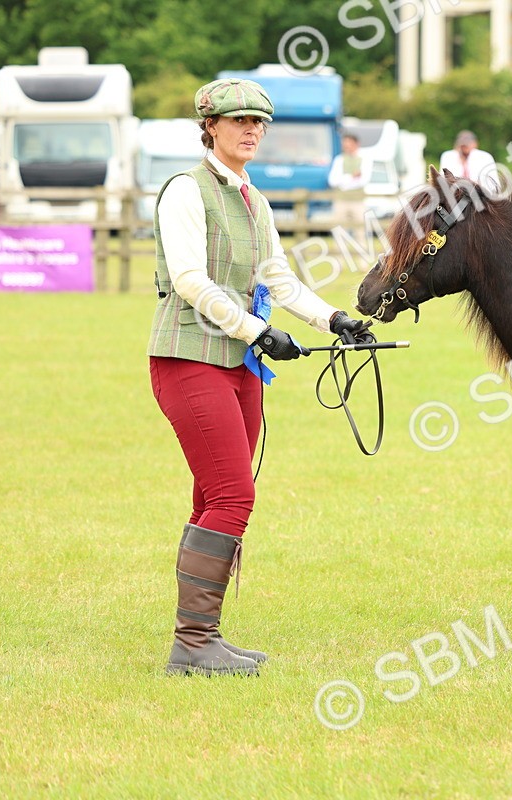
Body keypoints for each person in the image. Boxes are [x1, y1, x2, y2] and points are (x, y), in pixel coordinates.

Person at [148, 78, 372, 676]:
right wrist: (257, 331)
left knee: (213, 496)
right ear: (210, 127)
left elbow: (280, 280)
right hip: (189, 358)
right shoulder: (186, 191)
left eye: (258, 123)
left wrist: (334, 320)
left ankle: (202, 639)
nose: (251, 130)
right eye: (238, 120)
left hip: (239, 366)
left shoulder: (255, 200)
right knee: (233, 496)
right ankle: (193, 644)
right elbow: (190, 279)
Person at [328, 132, 372, 241]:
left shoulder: (365, 159)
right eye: (345, 144)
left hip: (358, 200)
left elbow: (363, 181)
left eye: (349, 144)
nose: (346, 147)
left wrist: (343, 181)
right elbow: (332, 181)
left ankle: (362, 252)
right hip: (340, 200)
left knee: (361, 231)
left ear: (356, 144)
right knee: (339, 231)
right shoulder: (339, 159)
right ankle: (339, 252)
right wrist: (352, 177)